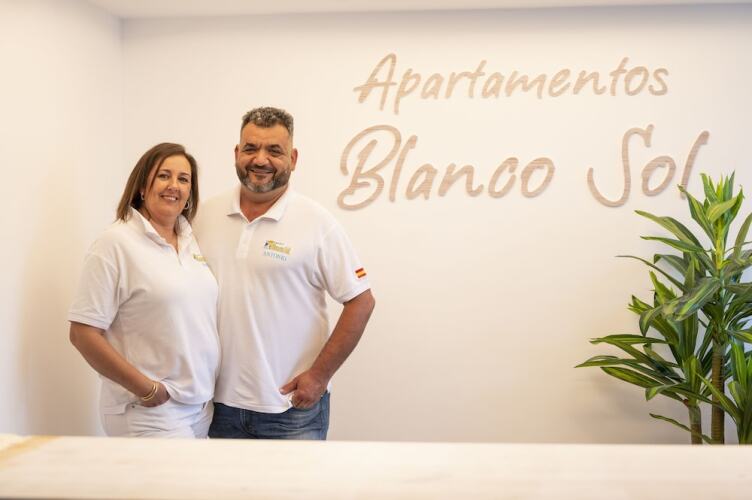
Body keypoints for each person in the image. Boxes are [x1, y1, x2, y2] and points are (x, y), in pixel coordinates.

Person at [193, 107, 375, 440]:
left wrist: (319, 377)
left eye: (274, 151)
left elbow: (361, 301)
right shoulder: (204, 216)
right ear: (236, 153)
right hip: (217, 406)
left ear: (292, 158)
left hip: (291, 410)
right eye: (250, 148)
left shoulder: (317, 223)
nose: (260, 159)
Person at [68, 143, 220, 438]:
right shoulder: (115, 243)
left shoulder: (190, 240)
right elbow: (82, 333)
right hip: (148, 410)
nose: (174, 186)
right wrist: (146, 388)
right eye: (163, 175)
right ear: (141, 186)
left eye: (183, 179)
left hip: (199, 406)